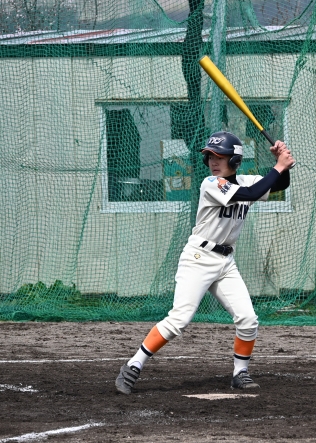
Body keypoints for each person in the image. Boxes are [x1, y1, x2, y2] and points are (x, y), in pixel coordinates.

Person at [115, 131, 295, 394]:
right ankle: (133, 365)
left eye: (219, 156)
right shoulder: (211, 183)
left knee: (248, 319)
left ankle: (240, 373)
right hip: (198, 259)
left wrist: (282, 162)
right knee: (179, 320)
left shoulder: (245, 180)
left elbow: (279, 185)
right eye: (210, 156)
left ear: (235, 160)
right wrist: (279, 165)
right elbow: (252, 192)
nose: (213, 161)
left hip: (226, 261)